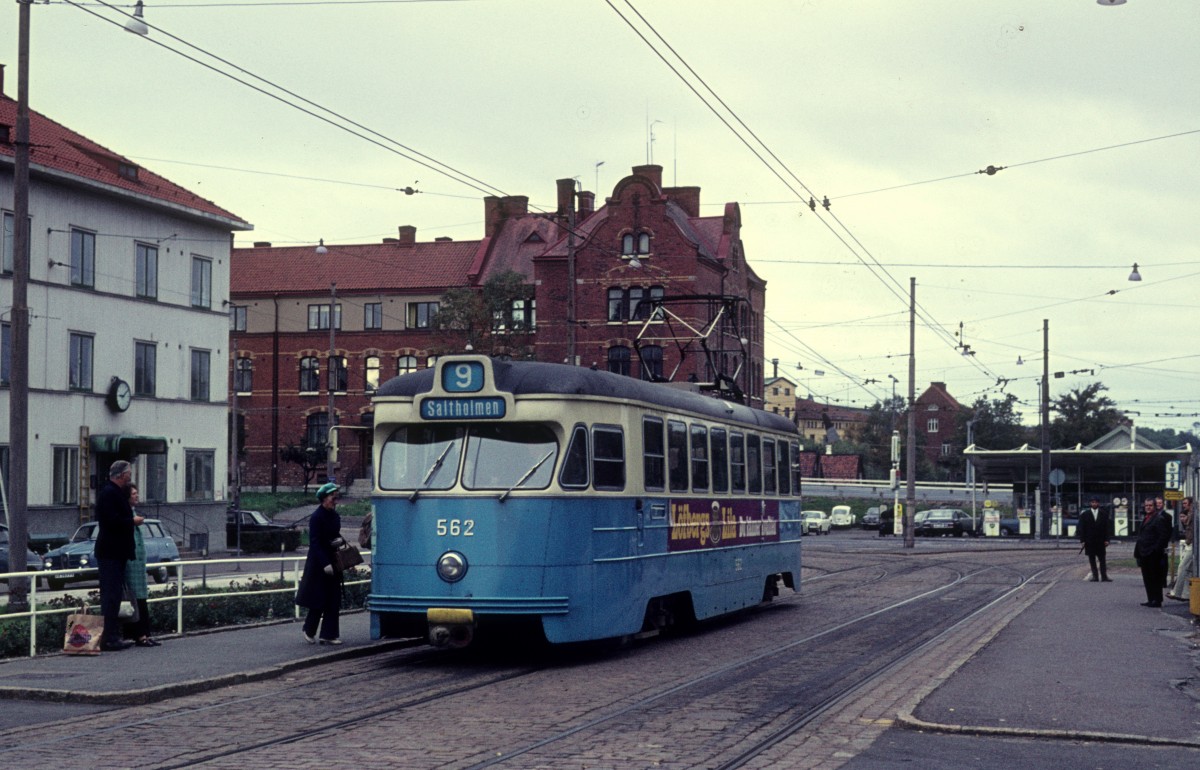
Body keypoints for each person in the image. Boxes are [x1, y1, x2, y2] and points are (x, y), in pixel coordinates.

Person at [95, 460, 141, 651]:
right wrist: (131, 521)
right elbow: (111, 521)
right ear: (121, 475)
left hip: (115, 551)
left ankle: (113, 635)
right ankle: (109, 638)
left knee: (114, 595)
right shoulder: (109, 493)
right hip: (110, 552)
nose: (130, 476)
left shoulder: (114, 492)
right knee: (111, 596)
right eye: (128, 473)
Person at [296, 482, 345, 645]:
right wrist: (325, 563)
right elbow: (315, 543)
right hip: (319, 564)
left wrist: (340, 543)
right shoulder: (317, 517)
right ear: (324, 498)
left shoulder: (334, 515)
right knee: (319, 598)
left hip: (333, 561)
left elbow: (335, 535)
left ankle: (329, 635)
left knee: (333, 598)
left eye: (336, 497)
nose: (335, 500)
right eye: (332, 497)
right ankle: (309, 630)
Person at [122, 484, 159, 647]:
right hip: (131, 562)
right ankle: (140, 634)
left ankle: (145, 633)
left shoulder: (133, 512)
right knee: (135, 598)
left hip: (137, 563)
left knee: (141, 597)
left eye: (137, 493)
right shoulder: (127, 514)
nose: (137, 496)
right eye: (134, 494)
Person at [1133, 496, 1172, 608]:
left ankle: (1157, 600)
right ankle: (1151, 599)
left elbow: (1163, 536)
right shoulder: (1146, 518)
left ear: (1155, 506)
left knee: (1155, 577)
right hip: (1143, 552)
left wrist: (1155, 549)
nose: (1148, 507)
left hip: (1153, 553)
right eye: (1146, 505)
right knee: (1147, 577)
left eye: (1150, 505)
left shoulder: (1159, 519)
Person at [1077, 497, 1111, 582]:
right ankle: (1095, 576)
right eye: (1093, 502)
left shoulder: (1104, 514)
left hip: (1101, 540)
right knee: (1092, 559)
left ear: (1098, 503)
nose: (1094, 504)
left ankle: (1104, 576)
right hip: (1089, 540)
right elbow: (1082, 528)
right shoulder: (1085, 514)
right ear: (1090, 503)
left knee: (1102, 559)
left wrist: (1107, 539)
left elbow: (1107, 528)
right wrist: (1082, 540)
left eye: (1096, 502)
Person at [1167, 496, 1194, 602]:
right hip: (1191, 543)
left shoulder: (1193, 514)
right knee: (1189, 570)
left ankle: (1177, 592)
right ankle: (1185, 594)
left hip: (1193, 544)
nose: (1183, 505)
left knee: (1182, 567)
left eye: (1185, 503)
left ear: (1191, 504)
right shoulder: (1190, 514)